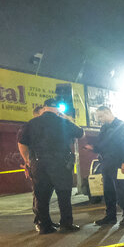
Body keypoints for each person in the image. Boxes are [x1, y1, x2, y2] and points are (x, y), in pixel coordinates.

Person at [17, 98, 84, 233]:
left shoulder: (31, 123)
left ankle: (44, 226)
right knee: (63, 194)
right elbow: (81, 133)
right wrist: (66, 117)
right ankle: (66, 224)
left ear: (44, 107)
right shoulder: (63, 122)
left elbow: (21, 142)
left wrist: (27, 160)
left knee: (41, 195)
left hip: (39, 163)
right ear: (56, 109)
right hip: (60, 163)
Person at [89, 105, 124, 226]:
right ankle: (110, 217)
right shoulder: (103, 128)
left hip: (119, 163)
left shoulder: (122, 126)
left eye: (101, 116)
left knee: (122, 190)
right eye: (98, 117)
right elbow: (101, 145)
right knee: (108, 191)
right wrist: (93, 148)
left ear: (108, 112)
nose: (100, 119)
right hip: (106, 163)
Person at [18, 105, 45, 227]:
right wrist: (28, 163)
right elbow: (22, 144)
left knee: (42, 193)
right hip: (36, 164)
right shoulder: (30, 127)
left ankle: (44, 220)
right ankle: (40, 220)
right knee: (39, 193)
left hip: (42, 163)